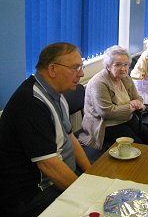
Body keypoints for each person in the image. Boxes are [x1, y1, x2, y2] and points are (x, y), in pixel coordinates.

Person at [0, 42, 91, 216]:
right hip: (32, 193)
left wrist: (91, 173)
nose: (81, 73)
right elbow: (48, 165)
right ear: (52, 69)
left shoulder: (58, 95)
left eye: (81, 66)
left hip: (59, 177)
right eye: (75, 67)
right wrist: (85, 194)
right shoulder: (31, 102)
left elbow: (70, 138)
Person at [79, 45, 148, 151]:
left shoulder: (125, 78)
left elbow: (138, 98)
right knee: (137, 146)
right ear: (108, 66)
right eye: (118, 65)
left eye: (126, 65)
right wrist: (132, 106)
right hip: (105, 125)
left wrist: (138, 103)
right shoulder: (99, 83)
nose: (123, 69)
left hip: (126, 118)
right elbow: (107, 112)